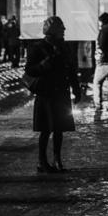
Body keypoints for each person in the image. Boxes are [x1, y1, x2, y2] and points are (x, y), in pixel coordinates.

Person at [25, 16, 82, 173]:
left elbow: (70, 69)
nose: (64, 30)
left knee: (59, 128)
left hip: (61, 93)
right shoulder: (37, 47)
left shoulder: (64, 47)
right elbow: (29, 70)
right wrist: (44, 64)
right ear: (53, 31)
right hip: (46, 93)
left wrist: (76, 89)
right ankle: (42, 161)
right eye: (61, 28)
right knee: (46, 129)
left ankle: (57, 159)